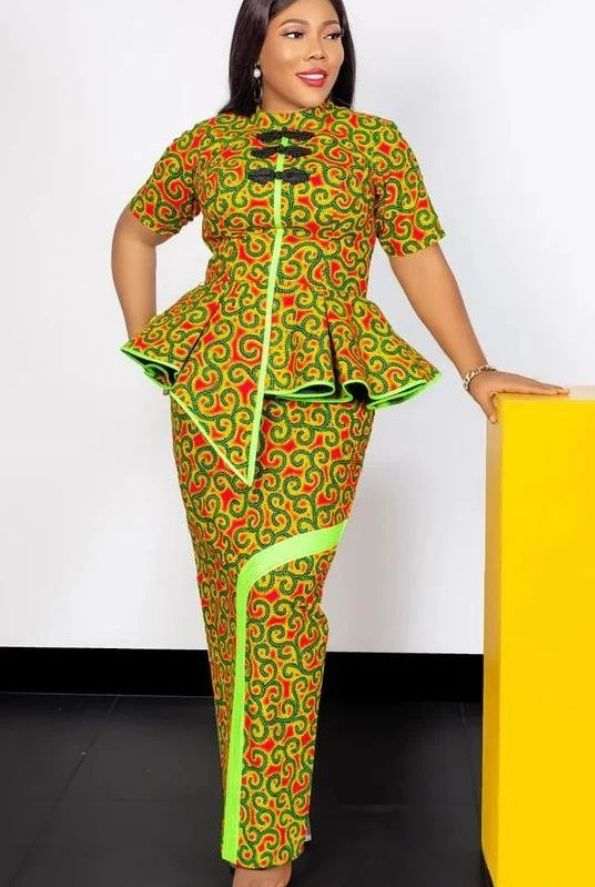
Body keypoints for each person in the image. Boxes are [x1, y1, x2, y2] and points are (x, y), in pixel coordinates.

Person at [111, 1, 569, 884]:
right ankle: (255, 810)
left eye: (331, 33)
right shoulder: (206, 147)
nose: (319, 51)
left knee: (280, 598)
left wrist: (475, 369)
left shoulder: (374, 145)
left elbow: (416, 253)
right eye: (295, 32)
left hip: (323, 395)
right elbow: (136, 229)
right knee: (230, 607)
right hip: (209, 399)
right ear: (255, 47)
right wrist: (152, 344)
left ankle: (264, 849)